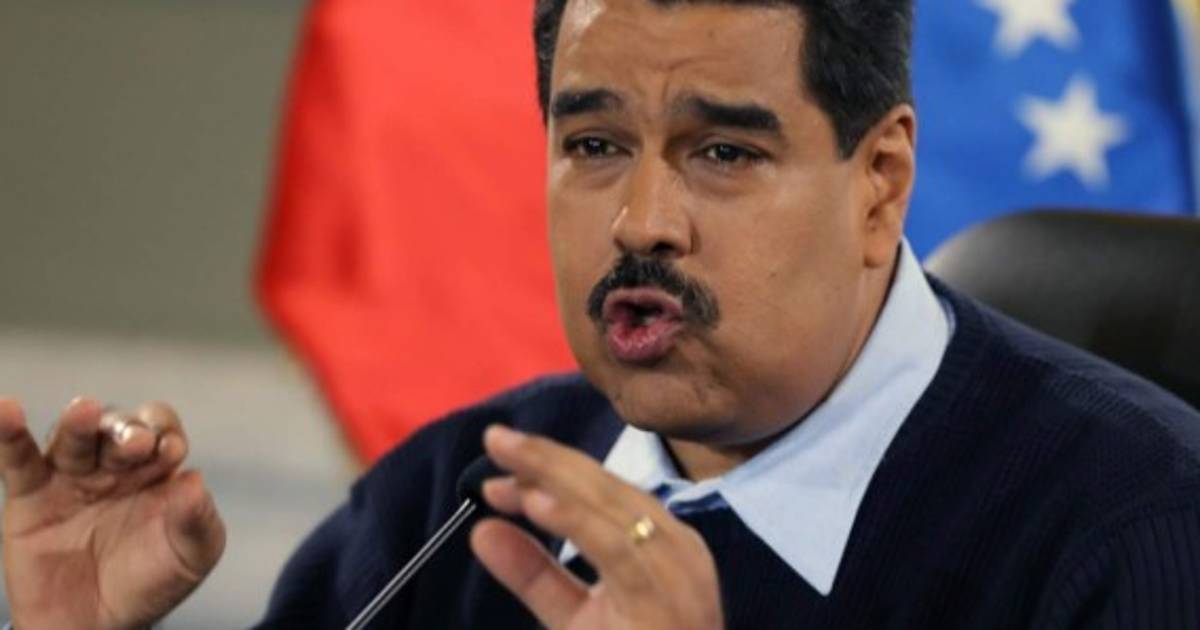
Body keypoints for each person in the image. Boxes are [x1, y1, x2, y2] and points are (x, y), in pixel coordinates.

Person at [2, 0, 1199, 628]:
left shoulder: (1136, 534)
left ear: (879, 184)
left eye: (723, 151)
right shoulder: (453, 502)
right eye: (593, 144)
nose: (640, 222)